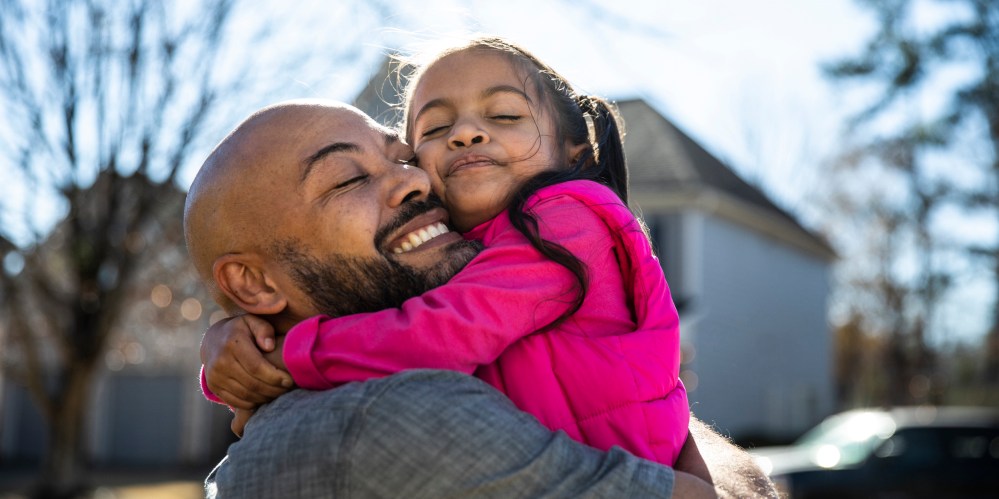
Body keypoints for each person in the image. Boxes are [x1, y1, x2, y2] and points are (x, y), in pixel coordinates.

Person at [185, 100, 776, 497]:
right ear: (254, 286)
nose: (416, 178)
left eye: (401, 156)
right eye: (347, 180)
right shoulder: (395, 416)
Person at [203, 36, 690, 468]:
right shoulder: (468, 250)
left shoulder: (568, 220)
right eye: (434, 131)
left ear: (574, 154)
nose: (465, 133)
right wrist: (238, 340)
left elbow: (444, 330)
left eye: (504, 115)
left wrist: (290, 355)